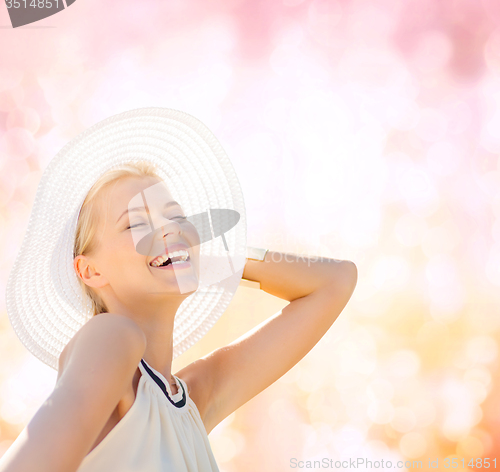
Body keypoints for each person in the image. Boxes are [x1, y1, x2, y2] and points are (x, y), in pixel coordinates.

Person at [0, 108, 357, 472]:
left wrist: (210, 258)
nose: (168, 230)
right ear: (90, 270)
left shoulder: (192, 400)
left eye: (175, 217)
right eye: (136, 225)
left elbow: (335, 282)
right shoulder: (110, 337)